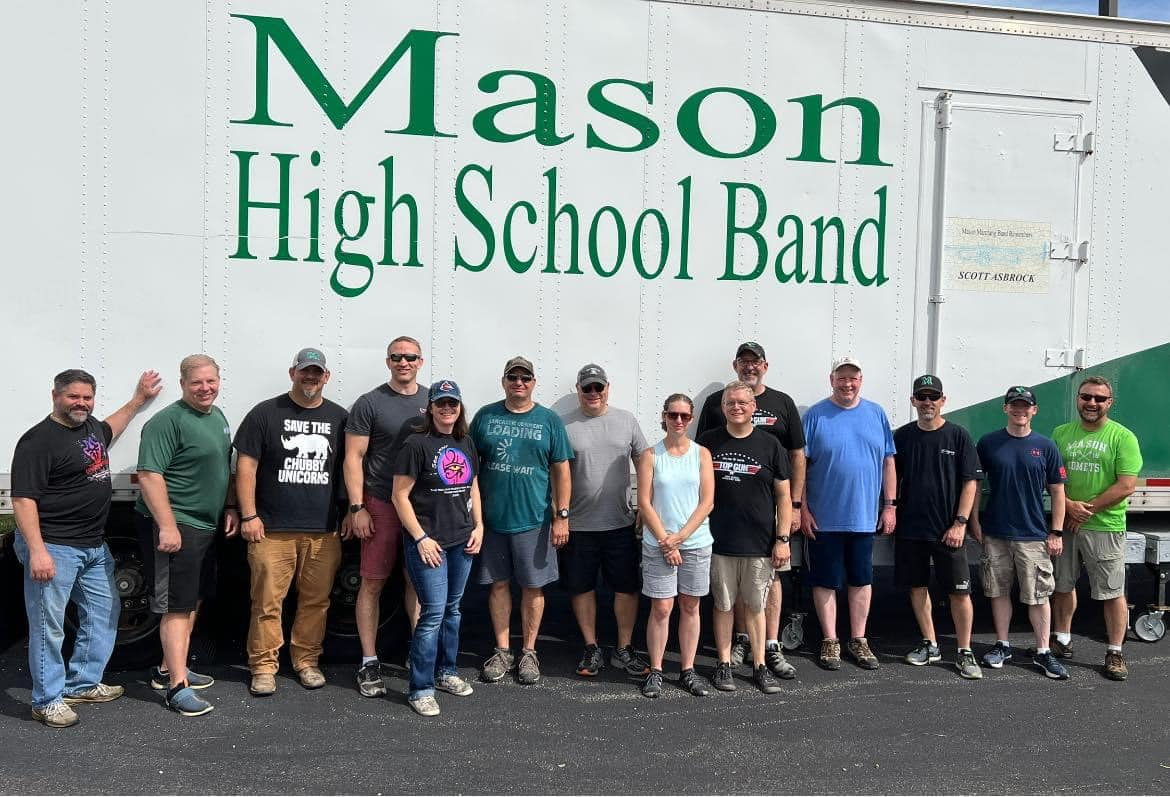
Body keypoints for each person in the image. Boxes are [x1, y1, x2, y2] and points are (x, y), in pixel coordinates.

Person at [11, 368, 162, 728]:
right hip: (54, 546)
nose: (81, 403)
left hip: (93, 546)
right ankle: (46, 700)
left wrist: (138, 400)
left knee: (103, 613)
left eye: (87, 397)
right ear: (55, 396)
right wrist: (37, 551)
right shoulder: (38, 441)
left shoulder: (90, 428)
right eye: (73, 396)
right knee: (49, 626)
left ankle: (82, 682)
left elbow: (113, 425)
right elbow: (23, 499)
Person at [234, 348, 348, 696]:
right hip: (271, 529)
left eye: (316, 372)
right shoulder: (265, 413)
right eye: (304, 372)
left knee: (316, 601)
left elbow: (349, 467)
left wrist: (350, 510)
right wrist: (248, 514)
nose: (310, 378)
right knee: (268, 602)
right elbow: (246, 466)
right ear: (292, 373)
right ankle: (264, 667)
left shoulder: (340, 418)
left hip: (324, 530)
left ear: (326, 376)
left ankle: (306, 661)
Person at [135, 354, 237, 716]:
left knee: (192, 600)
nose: (205, 388)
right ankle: (176, 688)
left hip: (206, 525)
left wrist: (229, 507)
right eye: (197, 383)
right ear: (183, 384)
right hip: (179, 525)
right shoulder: (167, 422)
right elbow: (149, 475)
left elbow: (223, 466)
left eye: (211, 381)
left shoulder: (217, 417)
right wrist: (167, 525)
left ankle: (167, 669)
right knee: (176, 606)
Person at [696, 341, 804, 677]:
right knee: (730, 593)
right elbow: (698, 463)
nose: (750, 366)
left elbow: (796, 457)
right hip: (723, 522)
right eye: (744, 362)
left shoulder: (782, 405)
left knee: (767, 584)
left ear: (765, 366)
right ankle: (741, 643)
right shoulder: (715, 409)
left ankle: (770, 647)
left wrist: (794, 510)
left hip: (766, 517)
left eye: (755, 361)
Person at [471, 356, 573, 685]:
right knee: (498, 585)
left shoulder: (549, 420)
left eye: (525, 378)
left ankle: (529, 651)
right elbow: (470, 466)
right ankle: (502, 650)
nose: (519, 383)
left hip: (535, 520)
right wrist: (474, 516)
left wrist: (562, 516)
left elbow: (562, 470)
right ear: (503, 381)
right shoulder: (485, 416)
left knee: (533, 587)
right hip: (494, 520)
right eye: (512, 377)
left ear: (533, 382)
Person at [392, 380, 484, 716]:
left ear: (460, 407)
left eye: (453, 404)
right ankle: (421, 687)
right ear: (430, 408)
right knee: (432, 613)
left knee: (454, 609)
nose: (447, 409)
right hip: (429, 543)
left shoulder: (466, 442)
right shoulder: (416, 445)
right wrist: (419, 538)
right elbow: (399, 496)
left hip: (462, 539)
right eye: (441, 403)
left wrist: (480, 526)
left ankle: (447, 672)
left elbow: (473, 486)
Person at [344, 336, 429, 698]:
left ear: (420, 362)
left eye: (410, 357)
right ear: (388, 361)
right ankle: (368, 660)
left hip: (422, 508)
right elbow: (353, 458)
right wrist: (356, 507)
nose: (403, 362)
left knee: (419, 583)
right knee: (373, 583)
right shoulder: (370, 403)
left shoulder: (434, 401)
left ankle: (420, 655)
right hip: (379, 504)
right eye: (397, 357)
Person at [801, 356, 896, 671]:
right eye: (841, 378)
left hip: (863, 517)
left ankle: (858, 639)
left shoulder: (876, 414)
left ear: (861, 380)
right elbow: (800, 466)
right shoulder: (815, 416)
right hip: (824, 518)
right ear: (831, 380)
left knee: (861, 579)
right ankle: (830, 640)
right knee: (826, 581)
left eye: (853, 378)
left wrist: (890, 505)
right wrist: (801, 508)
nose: (847, 384)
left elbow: (888, 462)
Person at [559, 364, 651, 679]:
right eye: (588, 388)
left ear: (608, 388)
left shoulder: (626, 421)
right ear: (578, 389)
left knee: (626, 588)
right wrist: (560, 515)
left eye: (599, 387)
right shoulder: (563, 425)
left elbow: (645, 459)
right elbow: (555, 473)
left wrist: (644, 504)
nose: (594, 393)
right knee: (581, 588)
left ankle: (623, 649)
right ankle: (591, 646)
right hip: (578, 525)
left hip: (620, 523)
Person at [971, 385, 1069, 680]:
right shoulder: (989, 443)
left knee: (1038, 595)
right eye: (1014, 405)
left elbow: (1058, 491)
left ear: (1034, 410)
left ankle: (1042, 652)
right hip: (996, 532)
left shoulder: (1046, 446)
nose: (1020, 410)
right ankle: (1003, 645)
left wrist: (1056, 532)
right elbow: (974, 485)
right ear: (1005, 408)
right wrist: (973, 520)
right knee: (998, 592)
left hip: (1033, 534)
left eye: (1025, 406)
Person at [1051, 376, 1141, 681]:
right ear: (1078, 399)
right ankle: (1061, 640)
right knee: (1063, 585)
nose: (1092, 403)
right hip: (1066, 522)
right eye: (1086, 397)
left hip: (1105, 526)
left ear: (1109, 403)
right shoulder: (1061, 433)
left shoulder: (1122, 437)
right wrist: (1069, 505)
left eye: (1099, 399)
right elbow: (1051, 478)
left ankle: (1115, 652)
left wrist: (1085, 510)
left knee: (1112, 592)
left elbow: (1127, 485)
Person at [892, 375, 982, 679]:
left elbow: (971, 481)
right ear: (913, 401)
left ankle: (965, 650)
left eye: (933, 397)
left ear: (943, 400)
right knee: (917, 587)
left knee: (960, 592)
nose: (928, 402)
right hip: (911, 529)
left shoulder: (958, 435)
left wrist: (960, 523)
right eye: (922, 397)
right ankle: (930, 644)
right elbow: (891, 478)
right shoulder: (902, 437)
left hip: (948, 530)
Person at [636, 393, 715, 697]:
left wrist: (680, 538)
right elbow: (644, 501)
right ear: (664, 416)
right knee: (661, 607)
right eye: (673, 415)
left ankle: (687, 669)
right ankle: (656, 670)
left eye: (684, 416)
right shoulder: (651, 455)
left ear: (691, 419)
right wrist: (667, 542)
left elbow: (707, 501)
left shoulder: (701, 454)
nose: (678, 420)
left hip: (694, 542)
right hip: (659, 543)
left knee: (690, 605)